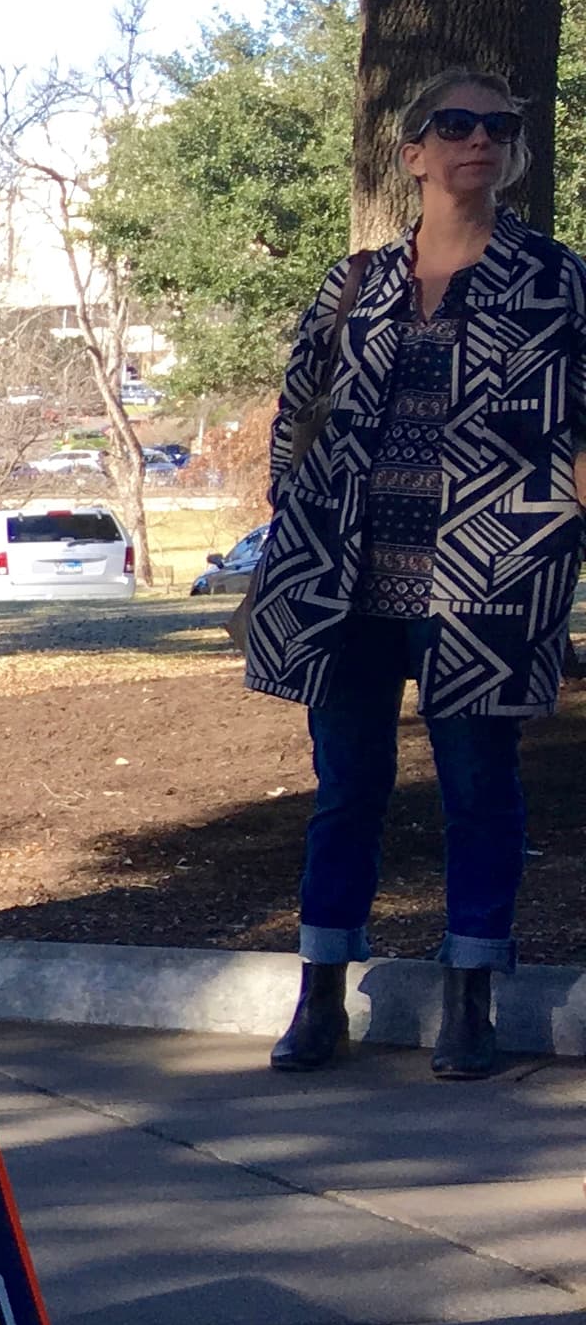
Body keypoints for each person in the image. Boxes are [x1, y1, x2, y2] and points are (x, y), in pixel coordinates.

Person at [247, 64, 584, 1081]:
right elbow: (294, 412)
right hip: (345, 578)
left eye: (497, 125)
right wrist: (298, 519)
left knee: (480, 789)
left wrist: (558, 519)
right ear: (415, 152)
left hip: (486, 579)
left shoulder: (555, 277)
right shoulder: (357, 280)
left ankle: (469, 998)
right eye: (455, 124)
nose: (477, 139)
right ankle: (320, 997)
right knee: (346, 788)